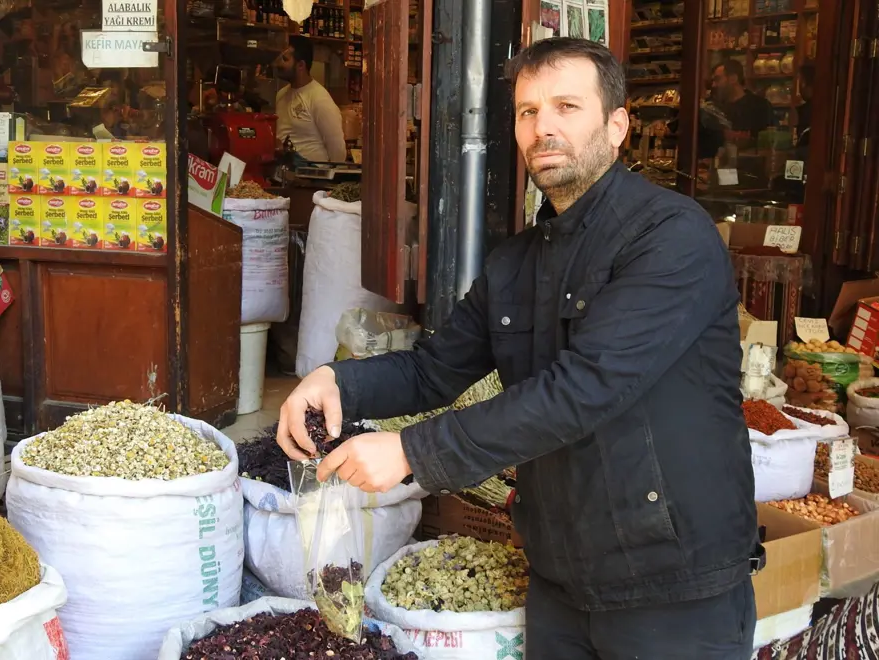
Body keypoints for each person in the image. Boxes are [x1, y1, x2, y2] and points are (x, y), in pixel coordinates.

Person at [278, 37, 761, 660]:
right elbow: (434, 368)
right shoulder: (518, 261)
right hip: (562, 578)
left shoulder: (670, 236)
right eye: (529, 112)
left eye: (566, 106)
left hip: (671, 583)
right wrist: (336, 382)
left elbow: (586, 388)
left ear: (617, 126)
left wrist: (412, 451)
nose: (544, 128)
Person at [273, 36, 347, 164]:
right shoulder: (281, 94)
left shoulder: (319, 98)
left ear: (301, 65)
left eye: (285, 59)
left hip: (313, 177)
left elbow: (338, 150)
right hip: (285, 175)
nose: (278, 64)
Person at [711, 59, 775, 140]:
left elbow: (768, 141)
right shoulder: (714, 108)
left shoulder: (760, 106)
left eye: (717, 79)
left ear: (733, 78)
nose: (713, 85)